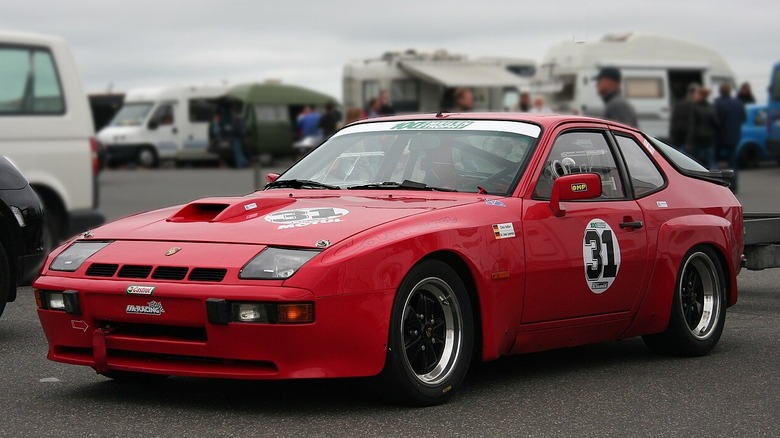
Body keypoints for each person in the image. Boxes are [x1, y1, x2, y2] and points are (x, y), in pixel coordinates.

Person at [715, 83, 747, 192]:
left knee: (716, 162)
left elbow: (715, 120)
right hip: (734, 136)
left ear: (720, 91)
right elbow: (743, 118)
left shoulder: (717, 103)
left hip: (719, 136)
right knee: (733, 162)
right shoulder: (738, 103)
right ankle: (734, 185)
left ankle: (719, 186)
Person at [686, 86, 719, 169]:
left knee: (696, 163)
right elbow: (716, 123)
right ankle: (715, 179)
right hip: (709, 138)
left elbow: (692, 126)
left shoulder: (695, 108)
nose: (695, 96)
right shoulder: (711, 107)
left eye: (696, 94)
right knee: (711, 161)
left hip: (698, 139)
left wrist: (689, 142)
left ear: (701, 95)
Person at [670, 83, 699, 149]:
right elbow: (692, 123)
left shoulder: (680, 103)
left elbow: (674, 119)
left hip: (678, 134)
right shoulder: (692, 105)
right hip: (687, 136)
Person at [229, 104, 248, 169]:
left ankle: (240, 164)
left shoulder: (235, 118)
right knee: (239, 150)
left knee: (237, 151)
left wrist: (230, 130)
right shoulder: (240, 117)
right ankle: (243, 162)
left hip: (236, 136)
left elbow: (234, 128)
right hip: (240, 136)